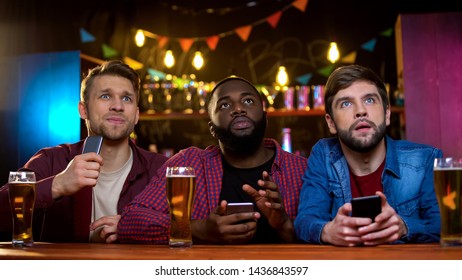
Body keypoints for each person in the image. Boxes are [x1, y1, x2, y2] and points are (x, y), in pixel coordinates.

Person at [118, 76, 307, 244]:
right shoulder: (188, 163)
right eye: (225, 105)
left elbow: (330, 235)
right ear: (212, 129)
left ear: (265, 119)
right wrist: (198, 229)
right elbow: (130, 220)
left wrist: (285, 226)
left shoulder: (302, 170)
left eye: (248, 101)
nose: (238, 109)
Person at [0, 60, 167, 243]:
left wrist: (138, 227)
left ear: (136, 114)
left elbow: (190, 227)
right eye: (105, 96)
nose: (117, 106)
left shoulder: (160, 168)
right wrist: (58, 185)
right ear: (83, 110)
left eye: (126, 98)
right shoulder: (52, 160)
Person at [294, 65, 442, 246]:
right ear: (331, 122)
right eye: (346, 103)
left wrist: (404, 227)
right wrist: (327, 231)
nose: (361, 111)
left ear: (387, 114)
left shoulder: (426, 159)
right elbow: (305, 220)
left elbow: (444, 226)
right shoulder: (323, 155)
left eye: (370, 100)